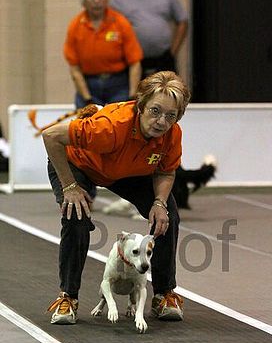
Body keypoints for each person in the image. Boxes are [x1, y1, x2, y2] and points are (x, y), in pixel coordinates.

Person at [43, 71, 190, 325]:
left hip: (126, 171)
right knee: (75, 215)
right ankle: (68, 297)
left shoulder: (171, 135)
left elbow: (166, 170)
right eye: (155, 111)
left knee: (168, 217)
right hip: (79, 165)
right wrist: (69, 186)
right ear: (141, 106)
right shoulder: (111, 126)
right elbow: (51, 136)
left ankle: (164, 295)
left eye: (170, 115)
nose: (161, 122)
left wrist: (159, 203)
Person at [64, 0, 143, 108]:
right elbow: (74, 68)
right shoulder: (75, 26)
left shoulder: (120, 22)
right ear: (84, 0)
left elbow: (135, 63)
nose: (97, 0)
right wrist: (87, 99)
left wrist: (132, 96)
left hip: (119, 86)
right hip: (89, 85)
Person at [111, 0, 188, 78]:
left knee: (167, 96)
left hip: (164, 59)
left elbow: (182, 21)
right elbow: (111, 29)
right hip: (133, 62)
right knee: (137, 97)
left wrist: (173, 52)